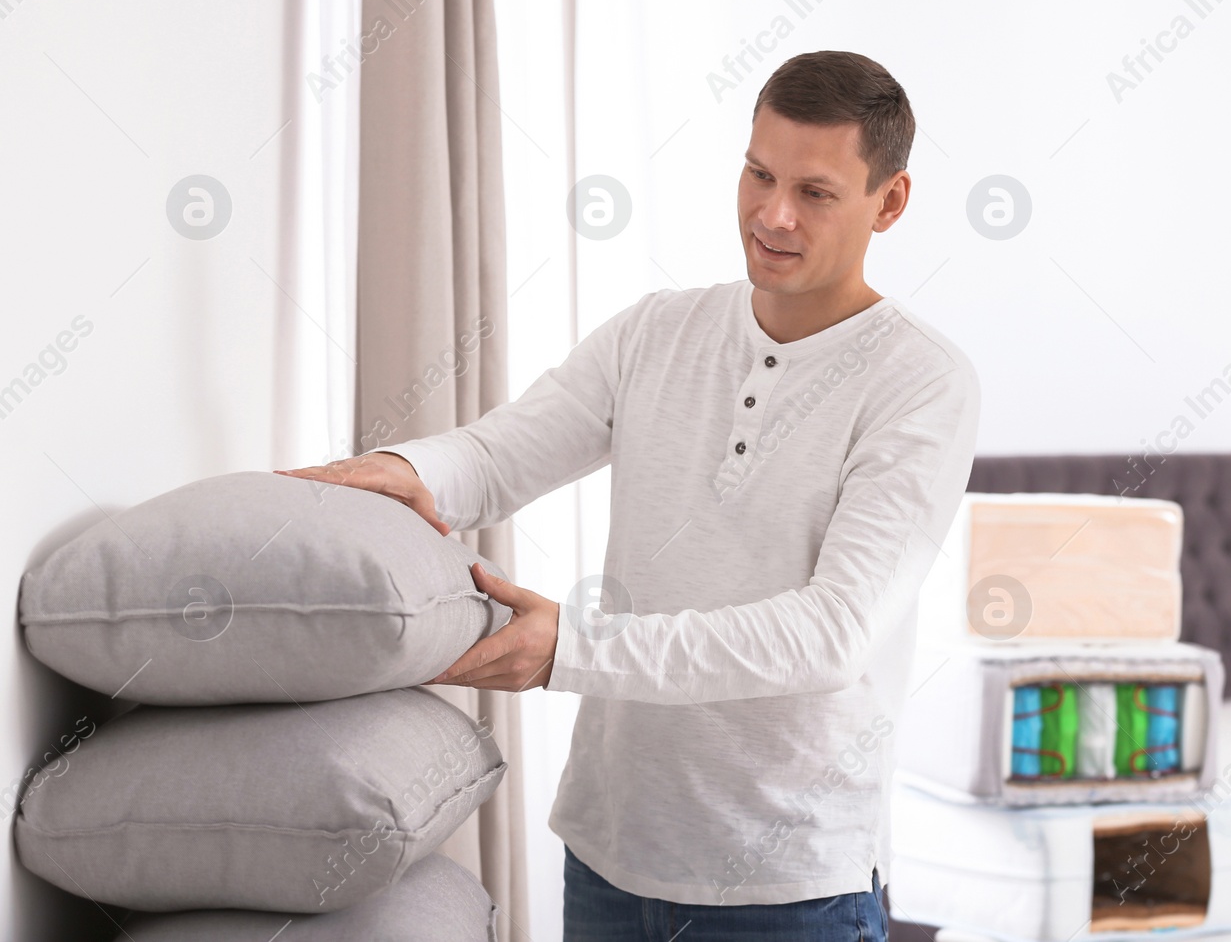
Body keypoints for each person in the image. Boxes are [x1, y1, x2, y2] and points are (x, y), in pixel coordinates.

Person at [278, 50, 980, 941]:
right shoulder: (660, 330)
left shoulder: (922, 382)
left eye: (815, 192)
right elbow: (498, 454)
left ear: (890, 201)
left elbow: (830, 633)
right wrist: (407, 470)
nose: (772, 215)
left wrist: (572, 646)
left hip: (790, 888)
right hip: (612, 855)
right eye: (759, 174)